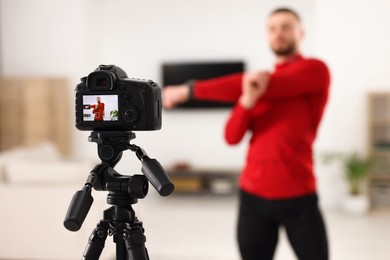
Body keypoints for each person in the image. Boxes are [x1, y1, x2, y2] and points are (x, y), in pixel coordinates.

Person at [163, 7, 330, 260]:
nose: (279, 33)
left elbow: (260, 84)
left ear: (301, 33)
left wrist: (189, 90)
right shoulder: (256, 87)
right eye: (273, 28)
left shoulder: (314, 71)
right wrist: (247, 101)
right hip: (253, 197)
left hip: (299, 197)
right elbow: (231, 137)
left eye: (286, 27)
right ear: (267, 35)